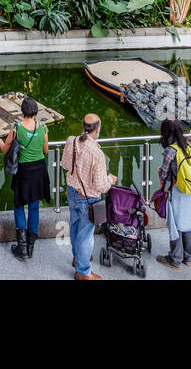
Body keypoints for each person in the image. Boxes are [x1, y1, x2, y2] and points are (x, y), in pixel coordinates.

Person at [60, 113, 117, 280]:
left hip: (72, 191)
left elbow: (64, 165)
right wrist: (111, 179)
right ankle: (83, 271)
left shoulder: (71, 141)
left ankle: (78, 256)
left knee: (75, 226)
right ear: (97, 128)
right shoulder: (97, 153)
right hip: (89, 197)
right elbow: (100, 185)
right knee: (86, 235)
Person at [0, 96, 48, 261]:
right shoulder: (43, 128)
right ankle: (31, 246)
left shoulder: (16, 127)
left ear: (22, 111)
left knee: (19, 205)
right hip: (39, 170)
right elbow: (46, 150)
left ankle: (22, 246)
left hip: (24, 172)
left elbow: (6, 149)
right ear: (35, 110)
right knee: (34, 207)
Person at [155, 118, 191, 270]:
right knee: (187, 224)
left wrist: (160, 173)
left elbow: (164, 175)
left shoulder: (170, 150)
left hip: (177, 192)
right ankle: (187, 257)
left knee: (175, 224)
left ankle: (174, 259)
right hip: (190, 191)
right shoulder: (186, 146)